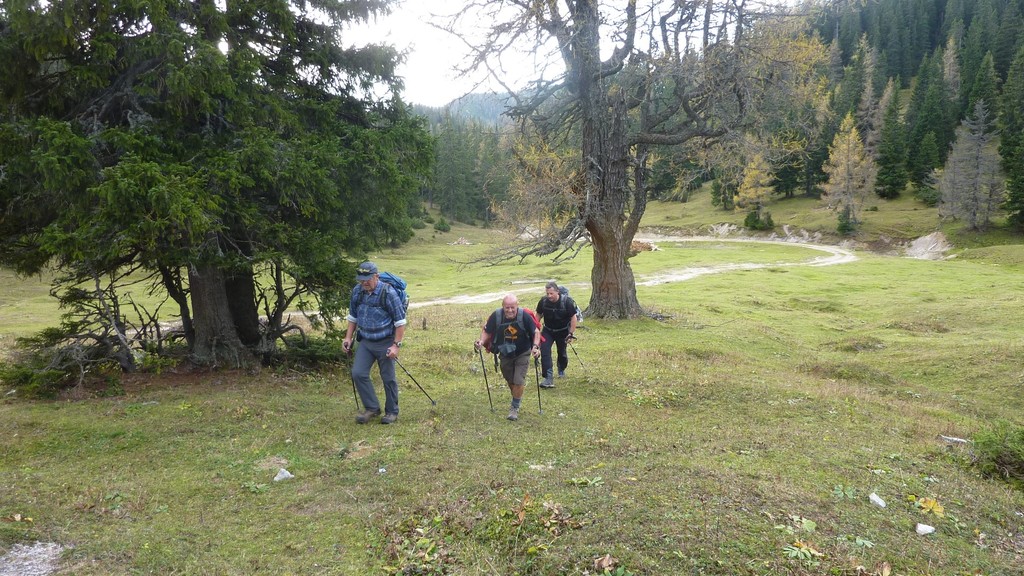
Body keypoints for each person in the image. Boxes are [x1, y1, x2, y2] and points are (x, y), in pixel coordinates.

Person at [342, 261, 407, 425]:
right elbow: (353, 317)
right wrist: (348, 337)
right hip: (365, 340)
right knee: (358, 373)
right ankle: (372, 408)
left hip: (385, 341)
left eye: (367, 279)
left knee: (388, 378)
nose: (364, 282)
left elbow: (400, 322)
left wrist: (396, 345)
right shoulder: (358, 291)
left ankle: (392, 412)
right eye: (361, 279)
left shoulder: (388, 293)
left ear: (376, 276)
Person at [475, 294, 541, 421]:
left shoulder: (524, 316)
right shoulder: (497, 316)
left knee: (518, 380)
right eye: (507, 308)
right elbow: (487, 331)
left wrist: (535, 347)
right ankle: (516, 395)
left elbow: (536, 332)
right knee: (510, 380)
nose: (510, 310)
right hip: (504, 353)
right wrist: (481, 342)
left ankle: (514, 408)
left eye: (512, 308)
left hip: (523, 352)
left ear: (517, 306)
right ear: (503, 307)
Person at [535, 281, 578, 388]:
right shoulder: (543, 302)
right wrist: (535, 329)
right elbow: (538, 315)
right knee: (545, 351)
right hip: (548, 330)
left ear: (557, 292)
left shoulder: (567, 302)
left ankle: (561, 368)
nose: (549, 296)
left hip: (563, 331)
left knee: (561, 352)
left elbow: (573, 317)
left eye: (551, 293)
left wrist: (571, 333)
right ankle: (548, 378)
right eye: (547, 293)